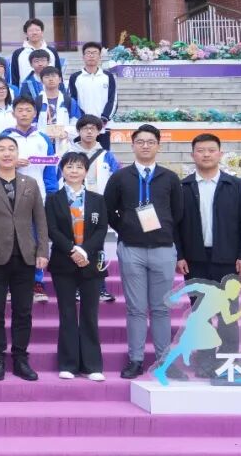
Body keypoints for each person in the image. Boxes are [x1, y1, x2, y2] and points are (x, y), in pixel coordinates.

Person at [104, 124, 184, 380]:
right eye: (140, 142)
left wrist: (164, 230)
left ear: (158, 145)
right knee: (136, 308)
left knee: (161, 308)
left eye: (150, 142)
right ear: (133, 145)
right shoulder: (120, 177)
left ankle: (163, 360)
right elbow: (109, 210)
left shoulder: (170, 178)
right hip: (132, 249)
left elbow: (178, 213)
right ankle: (135, 360)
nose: (145, 146)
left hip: (163, 250)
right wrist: (127, 227)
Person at [174, 133, 241, 378]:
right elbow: (175, 226)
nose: (206, 154)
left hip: (228, 260)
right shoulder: (183, 187)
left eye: (211, 150)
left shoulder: (237, 186)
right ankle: (205, 361)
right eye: (201, 150)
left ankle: (229, 360)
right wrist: (180, 255)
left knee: (227, 314)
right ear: (193, 155)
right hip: (195, 261)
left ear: (220, 154)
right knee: (201, 315)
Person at [0, 135, 50, 382]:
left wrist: (42, 251)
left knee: (23, 310)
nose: (7, 153)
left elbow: (40, 220)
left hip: (25, 256)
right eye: (1, 149)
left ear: (17, 154)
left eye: (11, 149)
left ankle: (20, 358)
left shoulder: (30, 183)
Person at [46, 152, 109, 382]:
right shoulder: (53, 199)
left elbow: (101, 229)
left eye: (79, 167)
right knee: (67, 313)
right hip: (64, 263)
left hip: (91, 263)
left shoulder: (97, 199)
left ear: (86, 171)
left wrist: (84, 251)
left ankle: (92, 365)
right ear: (62, 170)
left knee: (90, 314)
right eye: (69, 167)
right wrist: (73, 250)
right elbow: (52, 229)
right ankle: (68, 364)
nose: (74, 171)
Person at [66, 114, 120, 304]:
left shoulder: (107, 156)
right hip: (73, 208)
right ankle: (76, 288)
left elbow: (116, 181)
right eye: (85, 128)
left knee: (98, 247)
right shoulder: (68, 154)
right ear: (78, 131)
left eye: (93, 129)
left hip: (98, 208)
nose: (89, 132)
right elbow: (58, 179)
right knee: (75, 247)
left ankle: (100, 288)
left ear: (99, 132)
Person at [68, 42, 118, 150]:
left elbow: (113, 100)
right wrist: (83, 119)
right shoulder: (75, 77)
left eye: (94, 53)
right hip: (82, 125)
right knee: (80, 156)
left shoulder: (108, 76)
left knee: (102, 155)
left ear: (100, 57)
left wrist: (104, 118)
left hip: (103, 126)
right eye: (88, 53)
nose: (91, 55)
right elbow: (72, 100)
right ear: (83, 57)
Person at [34, 66, 82, 156]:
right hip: (42, 143)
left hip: (63, 143)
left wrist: (66, 132)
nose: (50, 79)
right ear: (41, 81)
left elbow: (77, 122)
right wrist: (42, 135)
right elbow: (32, 123)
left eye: (54, 76)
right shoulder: (37, 101)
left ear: (60, 79)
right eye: (47, 77)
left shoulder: (69, 101)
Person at [10, 18, 62, 88]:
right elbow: (14, 77)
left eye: (37, 30)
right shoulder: (18, 53)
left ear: (42, 32)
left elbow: (58, 73)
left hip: (50, 92)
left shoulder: (52, 52)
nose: (34, 33)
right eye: (31, 30)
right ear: (26, 33)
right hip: (26, 92)